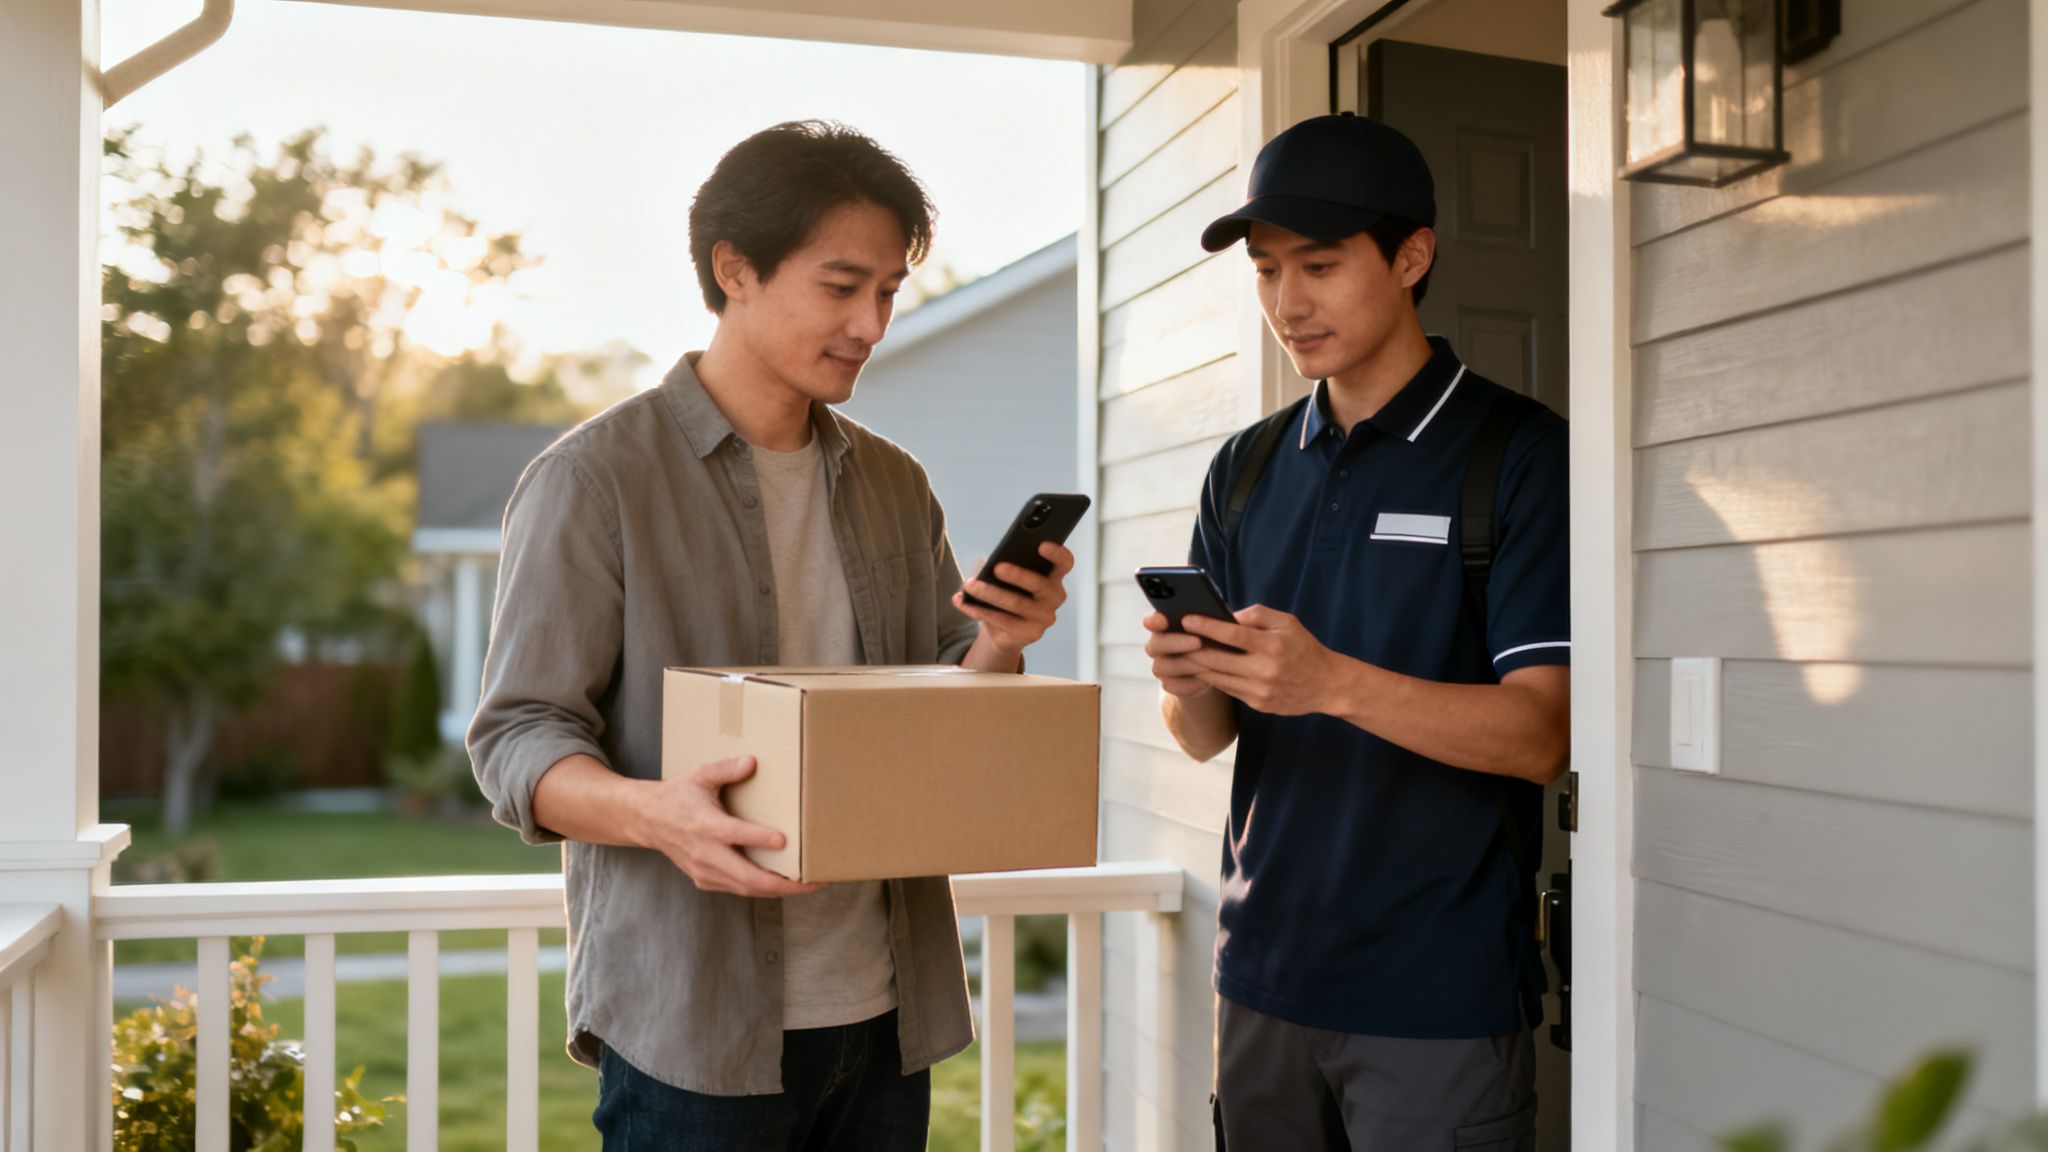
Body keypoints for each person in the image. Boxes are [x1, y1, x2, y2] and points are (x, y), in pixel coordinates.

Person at [468, 119, 1074, 1152]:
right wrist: (664, 816)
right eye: (841, 286)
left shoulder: (895, 481)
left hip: (884, 1019)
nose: (870, 323)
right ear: (733, 269)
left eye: (886, 291)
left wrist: (1000, 647)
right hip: (692, 1037)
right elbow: (516, 740)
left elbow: (939, 697)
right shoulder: (592, 481)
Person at [1142, 112, 1570, 1151]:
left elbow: (1538, 738)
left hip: (1437, 1004)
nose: (1287, 304)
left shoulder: (1517, 455)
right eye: (1266, 271)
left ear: (1410, 255)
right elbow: (1203, 736)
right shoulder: (1241, 468)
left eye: (1321, 264)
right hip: (1258, 984)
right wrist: (1190, 677)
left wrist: (1328, 681)